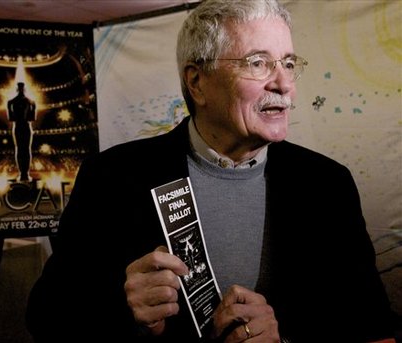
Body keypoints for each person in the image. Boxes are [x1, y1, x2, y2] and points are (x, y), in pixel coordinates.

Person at [26, 0, 397, 342]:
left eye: (287, 63)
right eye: (257, 63)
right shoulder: (112, 178)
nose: (284, 84)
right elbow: (45, 319)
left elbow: (369, 325)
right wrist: (124, 311)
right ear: (197, 82)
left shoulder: (327, 185)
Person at [7, 81, 36, 182]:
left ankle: (23, 174)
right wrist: (33, 108)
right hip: (26, 126)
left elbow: (11, 118)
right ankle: (25, 174)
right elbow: (32, 118)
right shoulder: (30, 101)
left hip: (18, 126)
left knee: (19, 149)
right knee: (26, 149)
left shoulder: (11, 102)